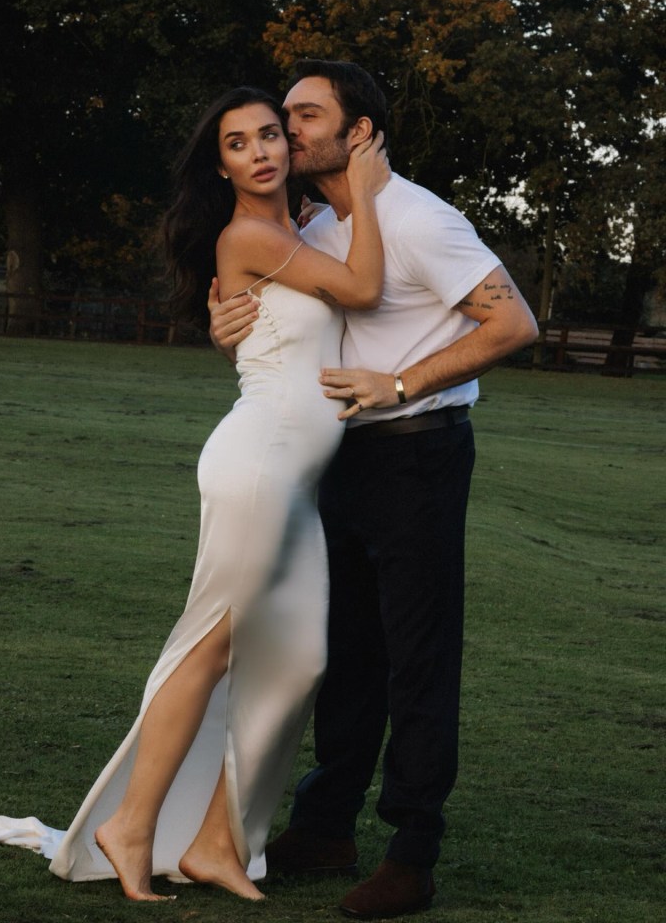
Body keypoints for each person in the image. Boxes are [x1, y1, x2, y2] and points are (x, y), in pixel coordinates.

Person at [209, 60, 539, 920]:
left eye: (307, 117)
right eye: (282, 117)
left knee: (418, 660)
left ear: (359, 133)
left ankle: (412, 853)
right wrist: (225, 326)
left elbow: (513, 322)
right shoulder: (313, 228)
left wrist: (401, 385)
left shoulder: (421, 219)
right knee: (348, 655)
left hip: (417, 457)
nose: (288, 131)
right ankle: (325, 826)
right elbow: (281, 336)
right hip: (338, 463)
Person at [43, 88, 390, 902]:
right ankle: (130, 824)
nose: (262, 151)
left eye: (271, 134)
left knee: (300, 660)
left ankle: (216, 843)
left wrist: (222, 328)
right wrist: (370, 198)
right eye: (239, 144)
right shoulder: (250, 233)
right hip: (259, 461)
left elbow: (272, 328)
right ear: (222, 164)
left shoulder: (293, 227)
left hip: (299, 479)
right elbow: (364, 288)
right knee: (208, 648)